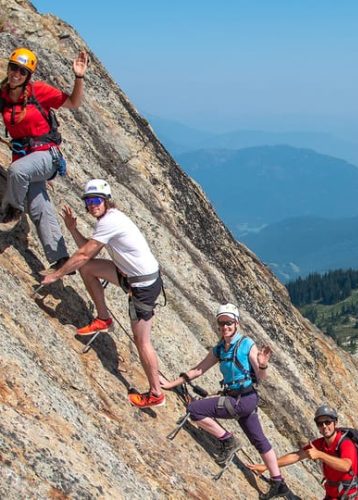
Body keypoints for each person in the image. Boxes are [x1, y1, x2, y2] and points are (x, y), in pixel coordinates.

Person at [41, 179, 165, 409]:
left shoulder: (110, 221)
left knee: (142, 341)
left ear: (106, 201)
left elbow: (83, 254)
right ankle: (103, 317)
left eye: (96, 200)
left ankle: (156, 393)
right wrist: (72, 229)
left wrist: (56, 275)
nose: (92, 205)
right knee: (87, 270)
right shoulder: (110, 219)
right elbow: (87, 253)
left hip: (142, 286)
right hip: (134, 276)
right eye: (88, 201)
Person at [162, 303, 290, 500]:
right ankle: (278, 482)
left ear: (236, 323)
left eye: (228, 322)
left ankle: (228, 440)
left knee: (194, 409)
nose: (224, 327)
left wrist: (263, 365)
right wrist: (172, 383)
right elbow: (199, 370)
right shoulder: (220, 348)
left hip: (241, 400)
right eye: (221, 323)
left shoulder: (246, 344)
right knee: (260, 441)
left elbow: (262, 377)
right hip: (244, 400)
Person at [0, 47, 88, 272]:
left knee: (17, 171)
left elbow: (74, 102)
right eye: (13, 68)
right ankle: (60, 259)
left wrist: (79, 77)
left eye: (21, 71)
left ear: (28, 75)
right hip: (26, 158)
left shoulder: (38, 91)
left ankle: (10, 211)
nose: (15, 74)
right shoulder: (3, 95)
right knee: (38, 203)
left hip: (47, 157)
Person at [248, 404, 358, 500]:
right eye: (320, 424)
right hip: (331, 495)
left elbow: (346, 466)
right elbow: (296, 456)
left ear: (335, 422)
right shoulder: (319, 444)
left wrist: (320, 454)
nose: (324, 426)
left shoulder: (346, 444)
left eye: (327, 422)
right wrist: (267, 466)